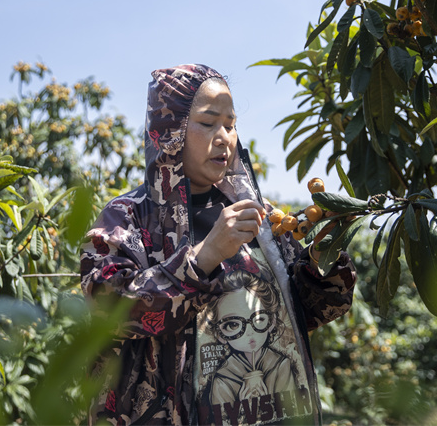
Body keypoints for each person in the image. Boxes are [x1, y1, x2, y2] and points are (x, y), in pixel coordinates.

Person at [80, 64, 356, 425]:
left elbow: (304, 315)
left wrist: (322, 261)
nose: (225, 137)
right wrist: (204, 257)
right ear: (170, 131)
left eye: (230, 124)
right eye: (209, 123)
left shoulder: (259, 217)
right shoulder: (128, 218)